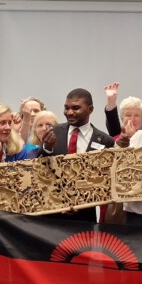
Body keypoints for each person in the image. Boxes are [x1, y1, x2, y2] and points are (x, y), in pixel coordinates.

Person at [38, 88, 115, 222]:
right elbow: (40, 169)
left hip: (86, 215)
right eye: (66, 108)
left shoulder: (104, 141)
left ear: (90, 109)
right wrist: (47, 148)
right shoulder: (53, 132)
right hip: (52, 213)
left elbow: (105, 180)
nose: (69, 112)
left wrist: (83, 202)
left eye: (76, 108)